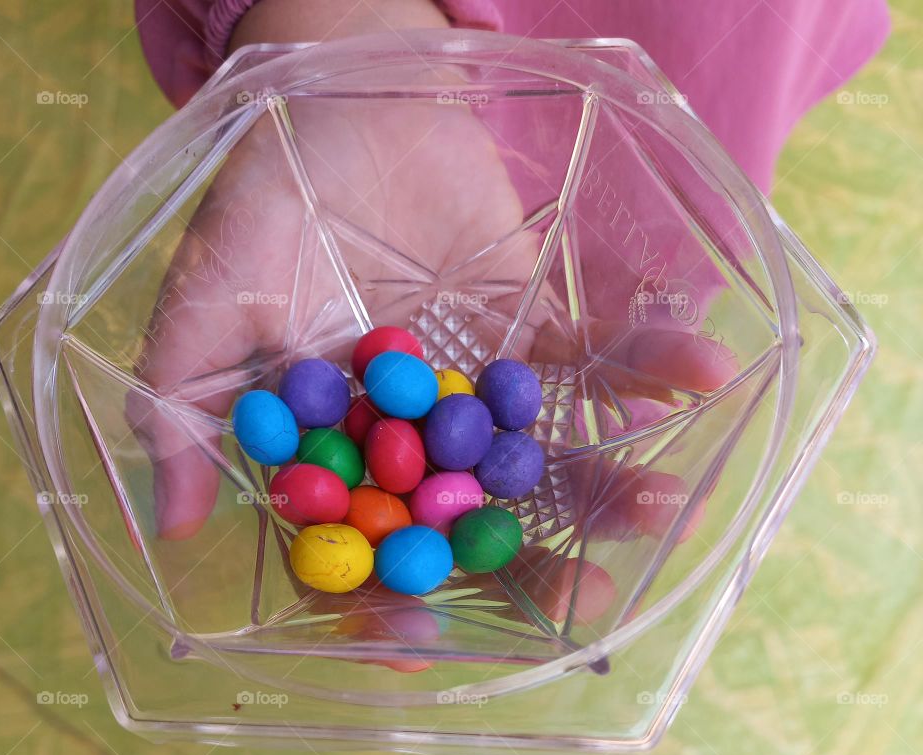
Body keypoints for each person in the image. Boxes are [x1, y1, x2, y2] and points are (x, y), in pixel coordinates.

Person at [126, 0, 888, 626]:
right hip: (403, 90)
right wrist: (338, 49)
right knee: (549, 353)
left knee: (616, 320)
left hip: (716, 92)